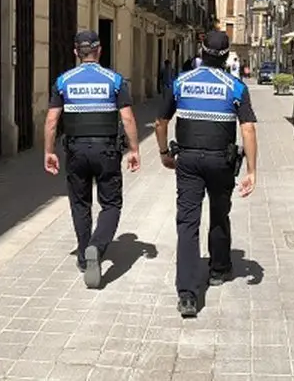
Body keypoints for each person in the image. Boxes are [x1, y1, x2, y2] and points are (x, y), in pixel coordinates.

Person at [154, 30, 258, 318]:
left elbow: (160, 122)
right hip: (221, 161)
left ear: (201, 50)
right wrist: (252, 170)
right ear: (226, 56)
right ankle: (219, 269)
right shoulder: (235, 86)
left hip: (186, 159)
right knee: (219, 212)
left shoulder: (180, 83)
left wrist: (164, 152)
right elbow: (248, 128)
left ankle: (187, 295)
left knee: (187, 222)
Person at [43, 30, 141, 289]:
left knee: (80, 203)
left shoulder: (63, 81)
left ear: (76, 52)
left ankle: (84, 253)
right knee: (111, 204)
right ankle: (96, 248)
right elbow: (128, 118)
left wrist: (48, 151)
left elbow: (52, 120)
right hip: (107, 151)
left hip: (75, 151)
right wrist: (134, 149)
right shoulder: (115, 80)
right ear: (99, 51)